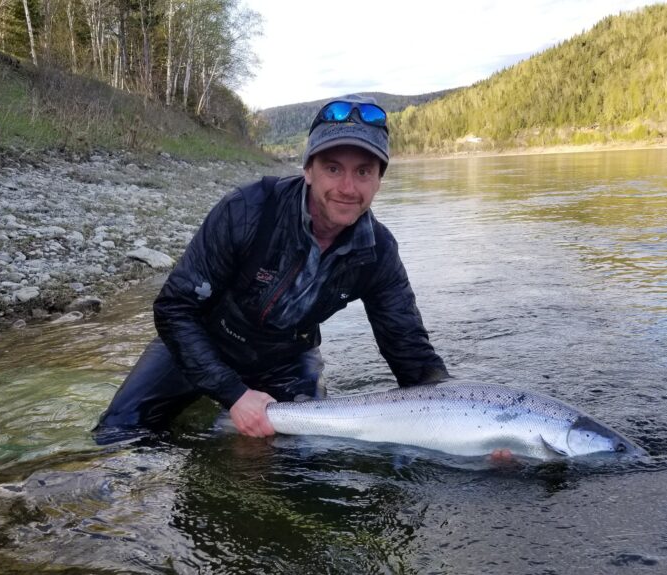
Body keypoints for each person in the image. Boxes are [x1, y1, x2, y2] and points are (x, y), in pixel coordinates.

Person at [95, 94, 449, 441]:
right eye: (332, 168)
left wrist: (471, 426)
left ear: (378, 181)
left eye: (363, 172)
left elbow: (410, 352)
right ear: (308, 170)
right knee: (117, 433)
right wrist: (234, 395)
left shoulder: (379, 252)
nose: (347, 187)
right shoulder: (247, 211)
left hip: (287, 359)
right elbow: (174, 309)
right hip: (205, 340)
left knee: (302, 461)